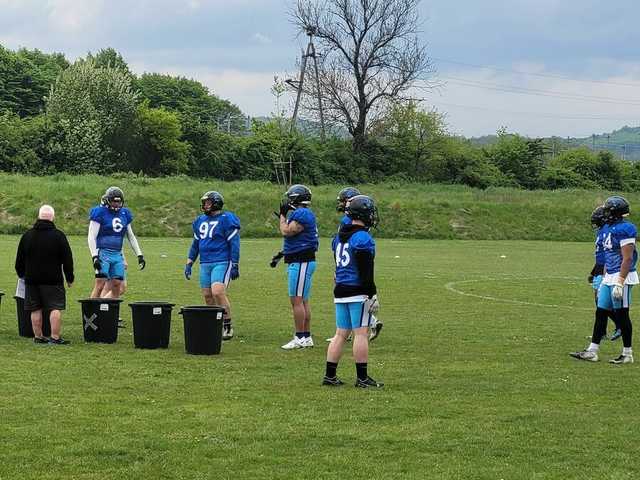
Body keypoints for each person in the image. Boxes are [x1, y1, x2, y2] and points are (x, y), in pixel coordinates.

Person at [323, 195, 383, 387]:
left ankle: (330, 376)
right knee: (361, 334)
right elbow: (366, 271)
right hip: (357, 290)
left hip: (340, 289)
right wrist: (372, 294)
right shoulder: (362, 238)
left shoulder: (339, 236)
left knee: (340, 334)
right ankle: (362, 378)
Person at [571, 196, 636, 364]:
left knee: (622, 315)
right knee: (600, 312)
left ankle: (627, 354)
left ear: (614, 213)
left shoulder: (625, 228)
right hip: (609, 275)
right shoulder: (607, 228)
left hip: (623, 276)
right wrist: (606, 278)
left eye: (608, 210)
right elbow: (607, 256)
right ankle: (592, 351)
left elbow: (627, 259)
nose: (605, 213)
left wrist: (620, 282)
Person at [184, 191, 240, 340]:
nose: (205, 205)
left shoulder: (226, 219)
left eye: (208, 202)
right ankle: (215, 324)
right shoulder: (200, 221)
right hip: (205, 263)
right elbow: (196, 244)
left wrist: (235, 263)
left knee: (217, 292)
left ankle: (227, 325)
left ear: (216, 203)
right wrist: (189, 262)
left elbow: (234, 243)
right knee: (208, 296)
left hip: (221, 260)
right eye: (205, 202)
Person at [14, 205, 74, 345]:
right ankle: (55, 337)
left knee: (35, 308)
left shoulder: (27, 235)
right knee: (55, 307)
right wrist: (69, 277)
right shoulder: (59, 236)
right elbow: (67, 259)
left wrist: (22, 274)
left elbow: (19, 260)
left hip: (32, 279)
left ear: (39, 217)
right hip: (53, 280)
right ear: (52, 217)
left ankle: (38, 336)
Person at [333, 186, 383, 342]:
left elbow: (342, 245)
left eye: (344, 201)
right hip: (350, 266)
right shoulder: (360, 227)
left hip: (349, 271)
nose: (342, 204)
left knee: (355, 320)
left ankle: (367, 324)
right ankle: (365, 324)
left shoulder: (348, 222)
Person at [88, 187, 145, 306]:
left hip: (117, 254)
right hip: (103, 253)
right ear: (108, 200)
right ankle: (91, 314)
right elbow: (91, 236)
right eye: (114, 201)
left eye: (119, 201)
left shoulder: (124, 213)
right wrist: (94, 256)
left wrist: (139, 254)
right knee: (100, 284)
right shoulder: (100, 212)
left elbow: (130, 235)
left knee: (117, 286)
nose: (117, 204)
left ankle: (109, 315)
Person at [279, 184, 319, 349]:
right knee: (303, 301)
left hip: (301, 260)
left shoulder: (301, 213)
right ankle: (306, 336)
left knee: (296, 300)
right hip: (302, 260)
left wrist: (282, 216)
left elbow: (287, 231)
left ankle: (300, 337)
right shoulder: (304, 212)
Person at [588, 206, 620, 341]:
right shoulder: (601, 231)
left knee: (601, 301)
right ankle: (602, 331)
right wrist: (593, 272)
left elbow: (608, 254)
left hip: (606, 269)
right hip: (599, 268)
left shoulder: (608, 230)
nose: (595, 225)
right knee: (599, 301)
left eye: (597, 222)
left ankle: (620, 325)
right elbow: (599, 255)